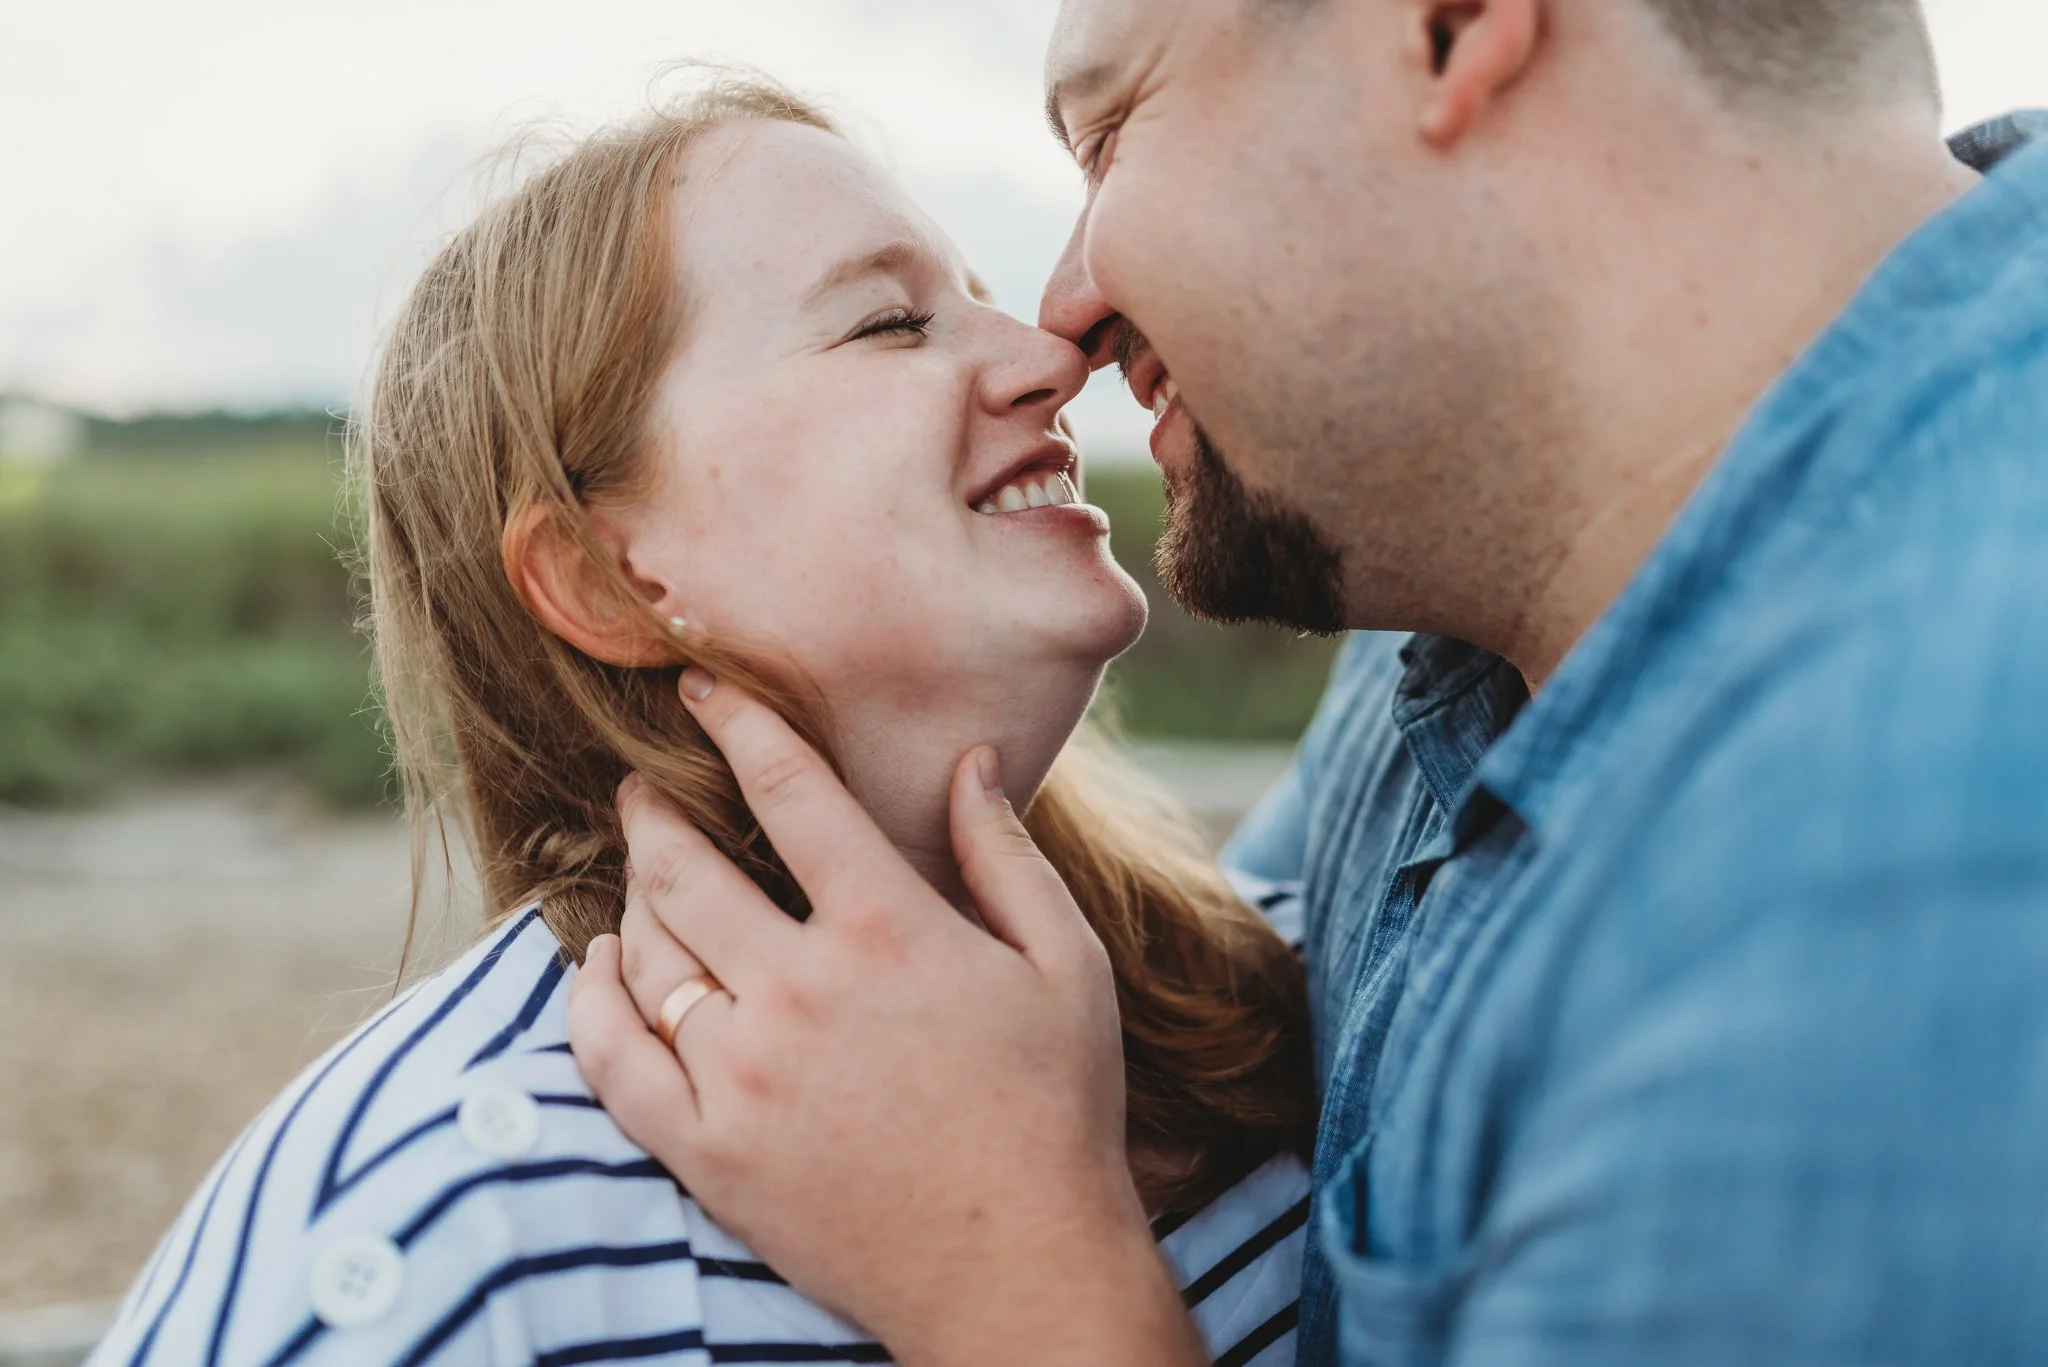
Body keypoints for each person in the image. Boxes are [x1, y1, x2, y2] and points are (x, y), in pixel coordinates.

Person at [565, 0, 2048, 1362]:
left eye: (1109, 130)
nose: (1063, 316)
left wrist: (1022, 1281)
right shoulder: (1495, 604)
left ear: (1452, 27)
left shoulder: (1897, 908)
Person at [87, 76, 1322, 1367]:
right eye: (891, 323)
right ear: (609, 578)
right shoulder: (430, 1253)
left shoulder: (1305, 981)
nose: (1049, 356)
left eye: (978, 295)